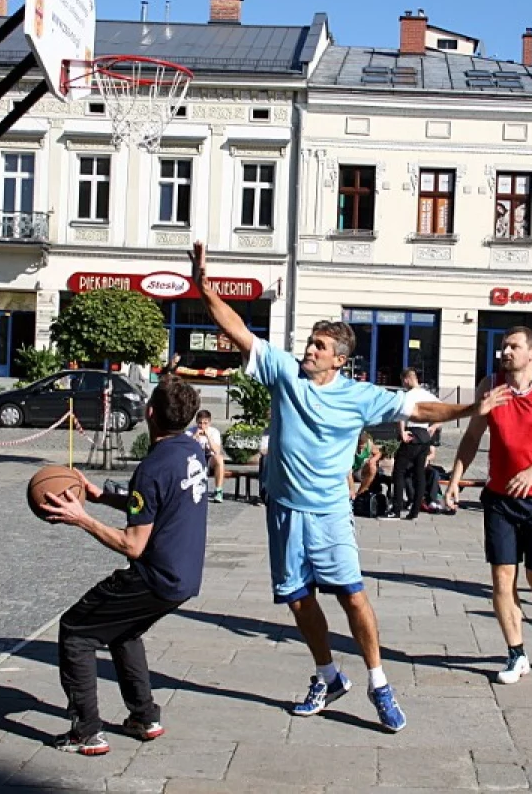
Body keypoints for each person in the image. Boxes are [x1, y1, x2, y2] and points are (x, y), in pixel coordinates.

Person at [189, 241, 508, 732]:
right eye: (310, 343)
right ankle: (328, 676)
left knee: (352, 596)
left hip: (330, 511)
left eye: (318, 346)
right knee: (297, 598)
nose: (308, 350)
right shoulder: (285, 373)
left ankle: (379, 684)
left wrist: (469, 411)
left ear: (338, 359)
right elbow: (235, 330)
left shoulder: (360, 396)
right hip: (283, 510)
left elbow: (420, 409)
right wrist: (203, 284)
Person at [41, 375, 208, 756]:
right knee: (123, 631)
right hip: (185, 577)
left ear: (149, 412)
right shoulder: (191, 450)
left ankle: (86, 732)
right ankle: (144, 717)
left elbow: (133, 544)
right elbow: (155, 503)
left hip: (155, 577)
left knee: (77, 630)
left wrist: (80, 517)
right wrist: (104, 496)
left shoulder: (151, 468)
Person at [444, 327, 532, 685]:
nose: (505, 352)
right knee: (502, 580)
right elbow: (473, 436)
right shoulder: (490, 385)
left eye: (513, 346)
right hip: (500, 499)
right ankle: (517, 654)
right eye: (503, 346)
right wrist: (456, 479)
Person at [388, 368, 438, 521]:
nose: (403, 384)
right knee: (419, 473)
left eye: (403, 381)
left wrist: (402, 432)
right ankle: (415, 510)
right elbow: (442, 411)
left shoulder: (407, 395)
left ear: (407, 379)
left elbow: (400, 414)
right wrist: (433, 427)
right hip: (424, 435)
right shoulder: (428, 395)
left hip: (412, 434)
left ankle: (396, 509)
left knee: (399, 471)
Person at [186, 410, 226, 503]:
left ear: (209, 422)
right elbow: (186, 450)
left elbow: (217, 451)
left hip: (209, 458)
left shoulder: (214, 432)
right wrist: (195, 437)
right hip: (194, 459)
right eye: (200, 423)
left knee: (219, 458)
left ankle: (218, 491)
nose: (202, 426)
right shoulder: (190, 432)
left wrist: (208, 437)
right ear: (196, 422)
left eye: (205, 423)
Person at [349, 432, 383, 500]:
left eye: (364, 444)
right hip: (349, 470)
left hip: (360, 469)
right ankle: (352, 495)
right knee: (347, 472)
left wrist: (373, 460)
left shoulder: (369, 444)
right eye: (360, 444)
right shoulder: (350, 447)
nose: (362, 446)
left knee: (372, 467)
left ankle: (360, 494)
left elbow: (378, 453)